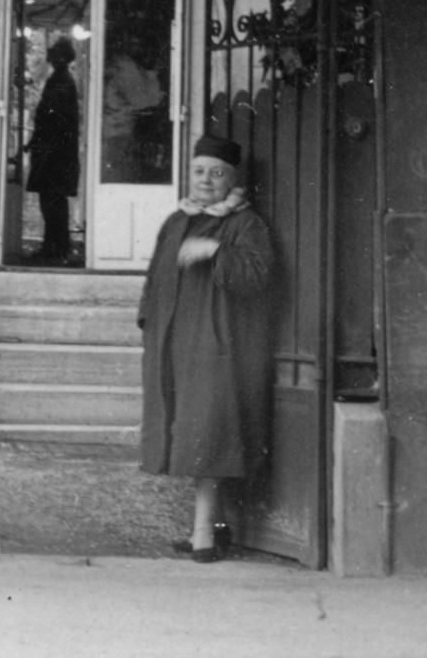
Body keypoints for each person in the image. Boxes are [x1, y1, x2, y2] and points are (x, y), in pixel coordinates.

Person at [137, 134, 273, 562]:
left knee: (208, 436)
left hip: (217, 346)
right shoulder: (176, 221)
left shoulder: (244, 223)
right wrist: (149, 324)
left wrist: (215, 250)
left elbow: (257, 275)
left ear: (231, 179)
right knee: (196, 435)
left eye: (217, 173)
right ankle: (218, 529)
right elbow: (154, 279)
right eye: (199, 171)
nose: (206, 181)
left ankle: (203, 537)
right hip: (176, 346)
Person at [25, 36, 80, 264]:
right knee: (52, 201)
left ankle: (55, 247)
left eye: (57, 54)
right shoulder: (59, 79)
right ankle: (55, 245)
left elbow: (52, 120)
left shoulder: (62, 81)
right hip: (54, 151)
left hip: (54, 153)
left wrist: (38, 141)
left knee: (52, 202)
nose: (52, 58)